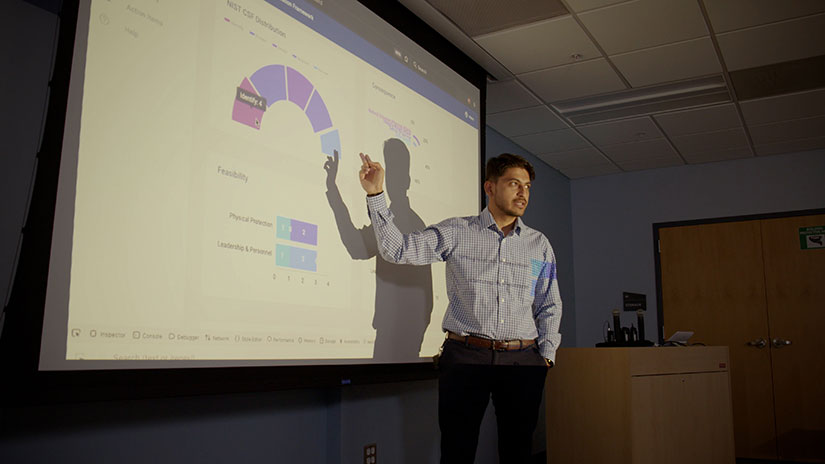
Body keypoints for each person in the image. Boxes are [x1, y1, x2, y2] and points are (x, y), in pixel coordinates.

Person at [358, 151, 562, 463]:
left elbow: (549, 302)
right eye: (514, 184)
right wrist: (375, 195)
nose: (523, 192)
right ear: (490, 187)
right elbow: (397, 250)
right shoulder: (457, 232)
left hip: (522, 362)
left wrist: (545, 356)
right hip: (467, 358)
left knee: (518, 452)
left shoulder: (539, 245)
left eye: (527, 186)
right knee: (457, 452)